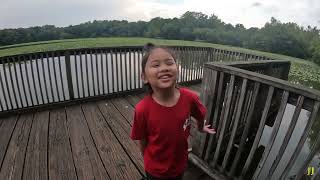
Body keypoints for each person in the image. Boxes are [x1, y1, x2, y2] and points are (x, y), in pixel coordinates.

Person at [130, 43, 216, 180]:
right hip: (154, 169)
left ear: (177, 69)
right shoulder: (142, 109)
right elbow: (142, 140)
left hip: (180, 164)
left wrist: (201, 127)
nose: (164, 68)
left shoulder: (190, 98)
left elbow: (200, 114)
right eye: (156, 65)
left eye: (169, 63)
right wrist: (146, 158)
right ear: (144, 77)